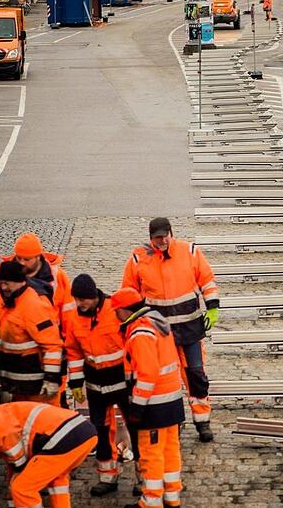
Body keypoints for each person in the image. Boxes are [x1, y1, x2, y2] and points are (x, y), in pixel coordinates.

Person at [122, 217, 218, 442]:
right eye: (157, 237)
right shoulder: (138, 259)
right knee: (169, 379)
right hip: (160, 333)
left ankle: (202, 421)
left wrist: (212, 306)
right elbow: (129, 293)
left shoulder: (190, 251)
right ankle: (173, 421)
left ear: (171, 233)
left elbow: (207, 280)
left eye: (165, 235)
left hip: (190, 328)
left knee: (196, 376)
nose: (162, 240)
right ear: (151, 238)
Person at [110, 287, 185, 508]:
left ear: (124, 311)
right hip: (171, 401)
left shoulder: (140, 332)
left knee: (151, 454)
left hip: (154, 405)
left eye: (116, 311)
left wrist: (137, 408)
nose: (115, 316)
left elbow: (147, 374)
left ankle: (151, 501)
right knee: (170, 450)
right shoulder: (157, 322)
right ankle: (172, 497)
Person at [64, 274, 132, 497]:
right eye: (76, 299)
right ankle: (107, 476)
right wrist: (75, 381)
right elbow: (73, 352)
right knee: (100, 432)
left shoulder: (115, 310)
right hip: (95, 384)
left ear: (94, 296)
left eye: (83, 299)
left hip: (122, 379)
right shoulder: (73, 318)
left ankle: (145, 477)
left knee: (136, 427)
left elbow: (132, 341)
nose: (79, 303)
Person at [0, 402, 97, 508]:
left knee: (22, 488)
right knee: (56, 479)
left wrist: (17, 479)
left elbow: (15, 455)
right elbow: (13, 464)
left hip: (63, 436)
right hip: (83, 433)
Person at [0, 260, 65, 404]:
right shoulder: (12, 300)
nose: (3, 287)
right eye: (1, 283)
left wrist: (51, 380)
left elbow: (53, 345)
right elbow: (14, 325)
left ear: (20, 282)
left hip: (37, 388)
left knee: (44, 424)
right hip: (20, 385)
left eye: (7, 283)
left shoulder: (33, 305)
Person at [0, 233, 75, 337]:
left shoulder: (57, 276)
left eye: (27, 259)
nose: (21, 263)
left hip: (44, 338)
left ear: (38, 256)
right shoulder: (6, 270)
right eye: (19, 258)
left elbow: (68, 312)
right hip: (8, 341)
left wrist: (66, 342)